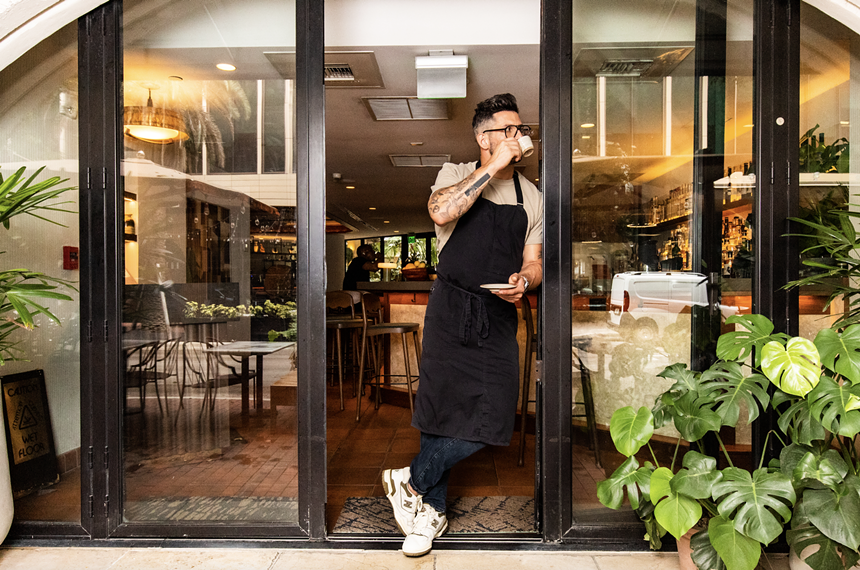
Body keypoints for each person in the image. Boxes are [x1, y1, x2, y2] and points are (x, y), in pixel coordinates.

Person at [382, 93, 543, 557]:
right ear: (482, 137)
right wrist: (495, 165)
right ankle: (427, 519)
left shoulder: (531, 197)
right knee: (440, 413)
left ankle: (409, 479)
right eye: (507, 130)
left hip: (496, 314)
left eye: (520, 129)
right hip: (451, 309)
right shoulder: (455, 174)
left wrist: (523, 282)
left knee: (495, 416)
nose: (518, 137)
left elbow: (534, 261)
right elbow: (441, 211)